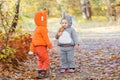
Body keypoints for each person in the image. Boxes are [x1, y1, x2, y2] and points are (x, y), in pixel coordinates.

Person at [28, 8, 53, 79]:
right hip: (41, 47)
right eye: (45, 19)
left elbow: (33, 40)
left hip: (36, 48)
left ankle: (39, 70)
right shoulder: (43, 28)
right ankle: (43, 72)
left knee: (40, 59)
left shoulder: (37, 28)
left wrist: (31, 50)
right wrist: (50, 45)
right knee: (46, 60)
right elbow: (46, 38)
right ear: (43, 19)